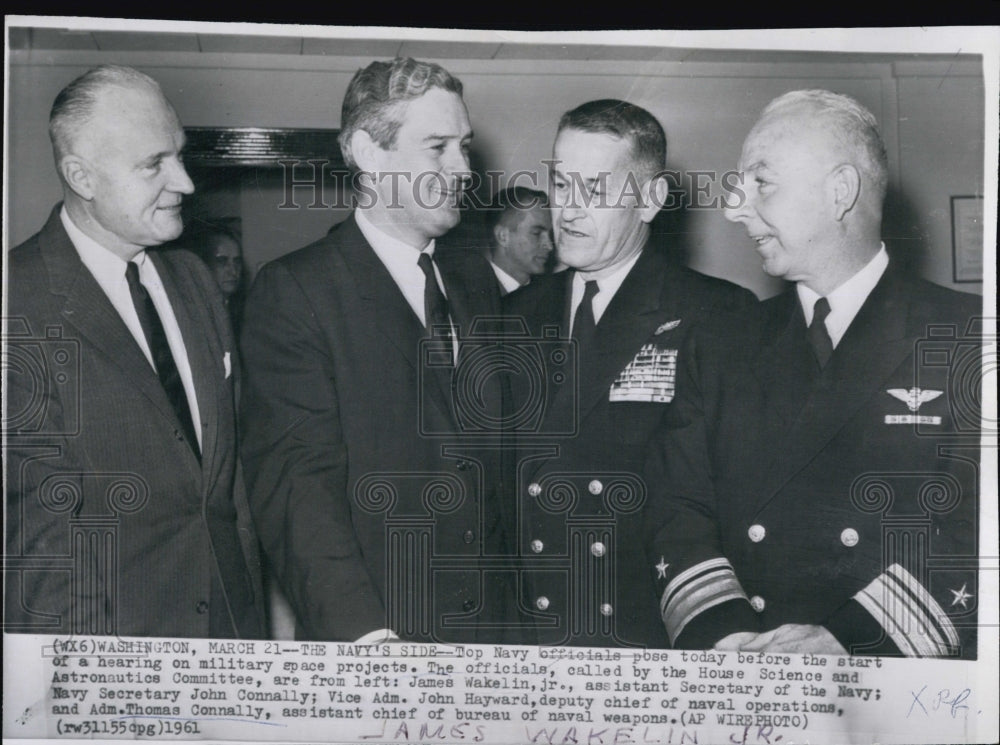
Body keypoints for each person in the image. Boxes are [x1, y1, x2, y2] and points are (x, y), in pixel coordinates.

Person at [646, 89, 980, 658]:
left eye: (761, 182)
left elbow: (977, 532)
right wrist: (727, 636)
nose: (735, 207)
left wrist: (847, 643)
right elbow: (679, 509)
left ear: (840, 191)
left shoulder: (969, 335)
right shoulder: (720, 340)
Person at [240, 57, 518, 644]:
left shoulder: (472, 279)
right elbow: (297, 490)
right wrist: (364, 637)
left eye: (464, 147)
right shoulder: (296, 290)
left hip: (497, 636)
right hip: (383, 638)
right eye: (438, 147)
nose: (463, 169)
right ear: (369, 154)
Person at [4, 65, 265, 638]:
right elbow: (36, 543)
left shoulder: (193, 279)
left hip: (232, 632)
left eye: (180, 155)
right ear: (82, 175)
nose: (187, 183)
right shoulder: (15, 301)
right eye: (154, 164)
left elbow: (229, 484)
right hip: (114, 652)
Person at [504, 99, 756, 647]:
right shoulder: (512, 317)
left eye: (594, 191)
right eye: (561, 185)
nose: (567, 211)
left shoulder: (717, 315)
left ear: (650, 200)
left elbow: (731, 507)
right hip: (526, 635)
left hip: (639, 635)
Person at [483, 186, 553, 294]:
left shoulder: (550, 295)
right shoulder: (469, 296)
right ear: (503, 237)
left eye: (550, 235)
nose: (549, 246)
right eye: (537, 233)